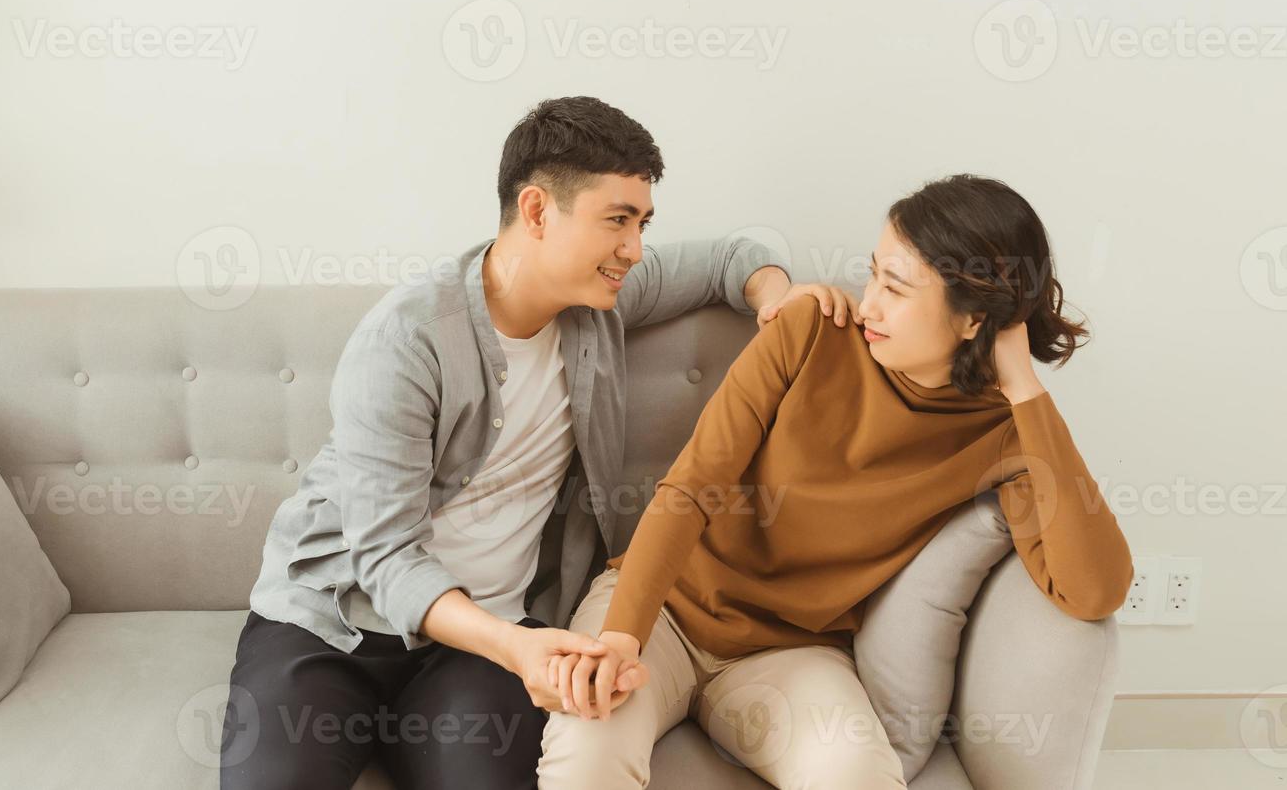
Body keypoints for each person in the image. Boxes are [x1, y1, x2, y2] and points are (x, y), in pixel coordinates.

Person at [221, 95, 854, 789]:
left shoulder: (599, 305)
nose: (633, 250)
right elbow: (386, 557)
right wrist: (519, 650)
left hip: (480, 646)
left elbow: (730, 257)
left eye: (642, 223)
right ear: (535, 211)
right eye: (616, 221)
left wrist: (773, 295)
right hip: (333, 624)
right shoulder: (404, 340)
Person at [537, 173, 1134, 790]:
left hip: (787, 655)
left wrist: (1025, 390)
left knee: (857, 776)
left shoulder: (1005, 435)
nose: (868, 302)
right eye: (873, 272)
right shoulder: (812, 331)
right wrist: (622, 638)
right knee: (587, 752)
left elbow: (1093, 591)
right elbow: (691, 487)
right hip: (658, 610)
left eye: (896, 289)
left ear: (974, 317)